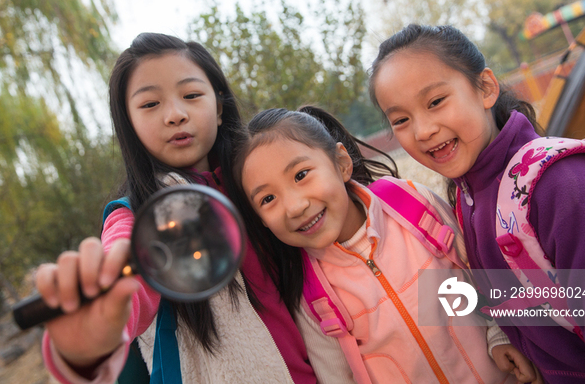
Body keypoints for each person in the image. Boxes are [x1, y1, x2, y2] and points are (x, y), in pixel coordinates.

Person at [34, 33, 354, 384]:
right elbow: (126, 283)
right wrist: (93, 332)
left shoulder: (260, 185)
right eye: (150, 104)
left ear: (218, 107)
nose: (175, 114)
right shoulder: (137, 218)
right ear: (129, 123)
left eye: (191, 95)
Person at [368, 24, 585, 383]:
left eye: (435, 102)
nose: (422, 130)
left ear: (485, 87)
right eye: (401, 120)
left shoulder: (561, 183)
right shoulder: (468, 196)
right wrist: (499, 336)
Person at [234, 106, 534, 384]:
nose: (295, 206)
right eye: (267, 199)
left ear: (341, 164)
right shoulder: (312, 293)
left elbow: (475, 271)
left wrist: (498, 335)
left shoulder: (411, 205)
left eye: (301, 175)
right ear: (259, 219)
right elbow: (337, 377)